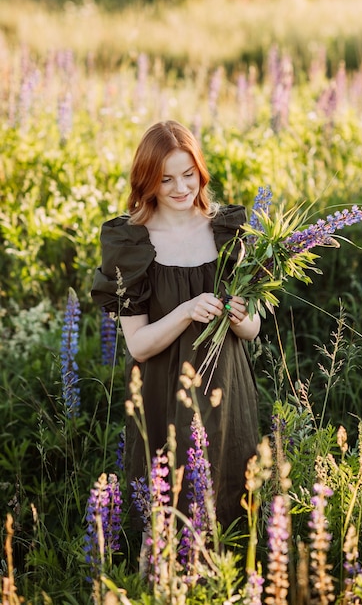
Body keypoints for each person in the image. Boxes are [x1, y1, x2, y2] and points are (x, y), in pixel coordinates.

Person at [91, 119, 260, 535]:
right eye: (166, 179)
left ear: (200, 172)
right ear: (147, 181)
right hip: (163, 390)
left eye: (189, 175)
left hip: (227, 387)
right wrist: (186, 310)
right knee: (169, 500)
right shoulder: (131, 243)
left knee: (230, 497)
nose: (181, 188)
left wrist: (240, 315)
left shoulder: (229, 230)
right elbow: (140, 345)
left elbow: (254, 329)